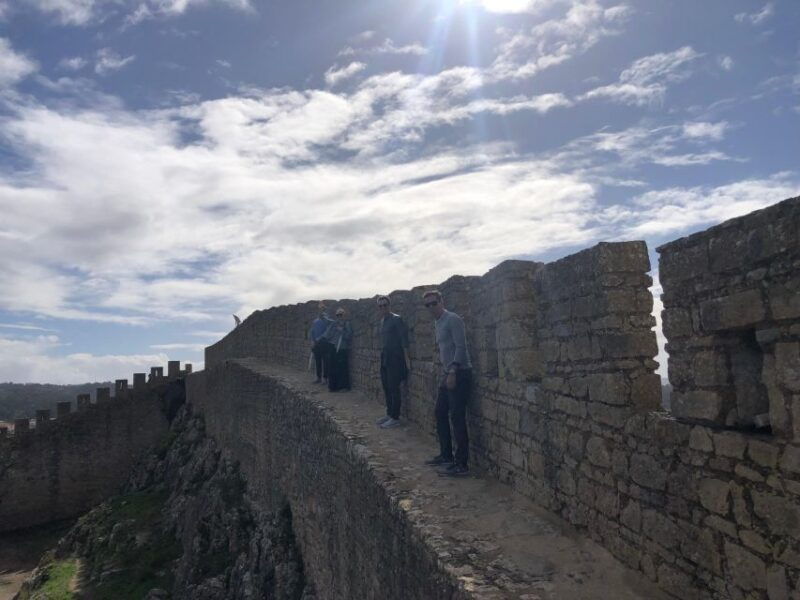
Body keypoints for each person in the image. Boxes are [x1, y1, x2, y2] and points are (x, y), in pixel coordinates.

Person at [422, 290, 473, 477]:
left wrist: (452, 371)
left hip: (459, 373)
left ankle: (462, 464)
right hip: (448, 374)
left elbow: (461, 346)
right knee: (440, 412)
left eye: (433, 303)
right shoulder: (438, 322)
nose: (431, 307)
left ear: (441, 301)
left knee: (457, 418)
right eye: (427, 305)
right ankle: (446, 455)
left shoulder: (453, 319)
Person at [375, 295, 410, 429]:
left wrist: (407, 359)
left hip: (396, 358)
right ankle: (389, 413)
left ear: (389, 305)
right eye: (380, 306)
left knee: (394, 388)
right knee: (386, 386)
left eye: (385, 305)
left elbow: (403, 339)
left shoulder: (396, 319)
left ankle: (395, 417)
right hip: (385, 357)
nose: (383, 307)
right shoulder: (383, 321)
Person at [324, 308, 353, 392]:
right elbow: (327, 335)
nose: (339, 316)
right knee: (332, 368)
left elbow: (349, 336)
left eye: (341, 315)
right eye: (338, 315)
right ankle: (333, 387)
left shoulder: (347, 324)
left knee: (342, 368)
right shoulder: (333, 324)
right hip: (333, 347)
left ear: (344, 315)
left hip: (342, 348)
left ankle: (343, 386)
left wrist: (341, 331)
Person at [309, 303, 334, 384]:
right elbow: (312, 331)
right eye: (320, 309)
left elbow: (329, 330)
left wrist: (320, 337)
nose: (321, 310)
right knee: (318, 361)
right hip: (316, 343)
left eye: (323, 309)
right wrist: (312, 340)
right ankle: (318, 377)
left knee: (325, 361)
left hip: (324, 342)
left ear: (325, 310)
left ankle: (325, 378)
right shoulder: (315, 321)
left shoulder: (328, 320)